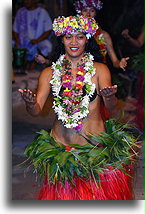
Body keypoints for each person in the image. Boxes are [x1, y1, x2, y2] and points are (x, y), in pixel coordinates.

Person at [19, 15, 137, 200]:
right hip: (61, 152)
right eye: (68, 37)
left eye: (80, 36)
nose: (74, 42)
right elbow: (36, 111)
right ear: (61, 39)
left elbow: (112, 110)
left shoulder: (99, 70)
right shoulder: (49, 72)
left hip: (94, 151)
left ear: (87, 39)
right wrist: (30, 102)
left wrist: (110, 97)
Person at [12, 0, 53, 69]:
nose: (26, 1)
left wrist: (37, 40)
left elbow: (48, 30)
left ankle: (35, 63)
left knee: (47, 45)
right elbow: (15, 29)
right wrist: (17, 40)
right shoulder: (20, 12)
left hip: (38, 41)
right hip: (22, 42)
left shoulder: (42, 12)